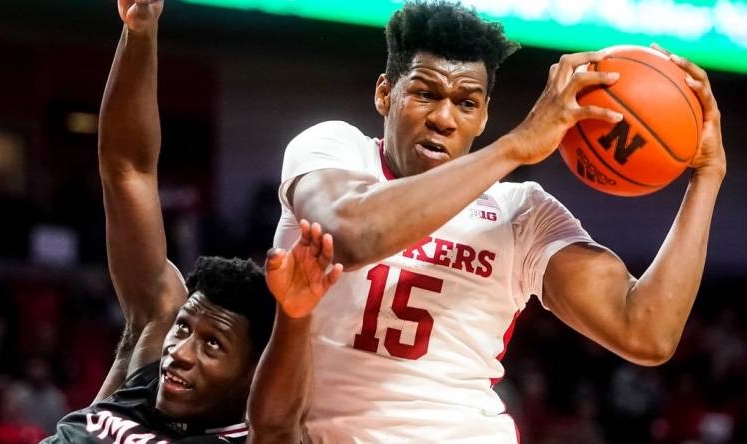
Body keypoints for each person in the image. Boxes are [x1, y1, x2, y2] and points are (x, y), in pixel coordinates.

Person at [273, 1, 726, 442]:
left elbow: (646, 332)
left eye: (466, 103)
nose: (444, 119)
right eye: (425, 94)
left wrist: (707, 176)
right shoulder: (335, 149)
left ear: (484, 115)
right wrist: (515, 147)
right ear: (385, 93)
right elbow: (348, 237)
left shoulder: (520, 212)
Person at [45, 0, 343, 442]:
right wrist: (140, 32)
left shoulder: (255, 435)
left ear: (253, 377)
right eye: (184, 328)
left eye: (213, 345)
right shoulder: (153, 349)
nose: (180, 352)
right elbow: (128, 170)